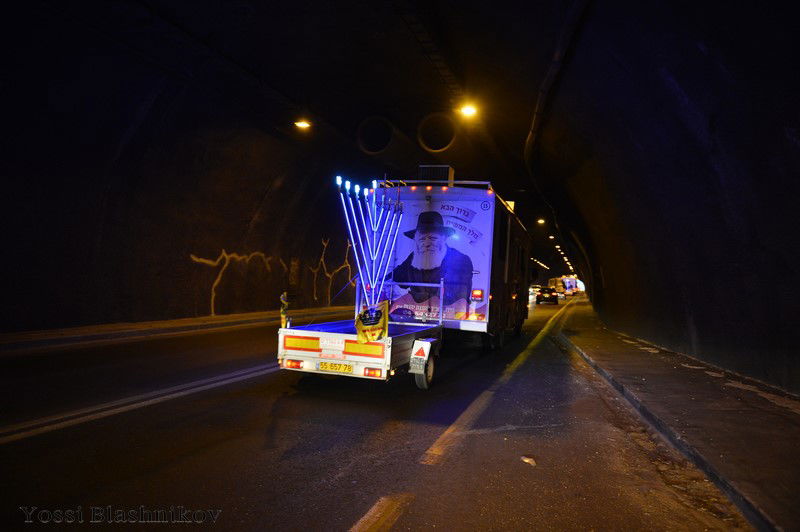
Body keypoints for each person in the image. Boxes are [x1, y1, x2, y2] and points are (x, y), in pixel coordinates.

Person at [389, 211, 473, 306]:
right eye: (422, 239)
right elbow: (399, 278)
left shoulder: (461, 260)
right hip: (414, 314)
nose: (427, 243)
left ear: (444, 238)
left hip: (447, 314)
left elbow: (459, 295)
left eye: (433, 238)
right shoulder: (414, 257)